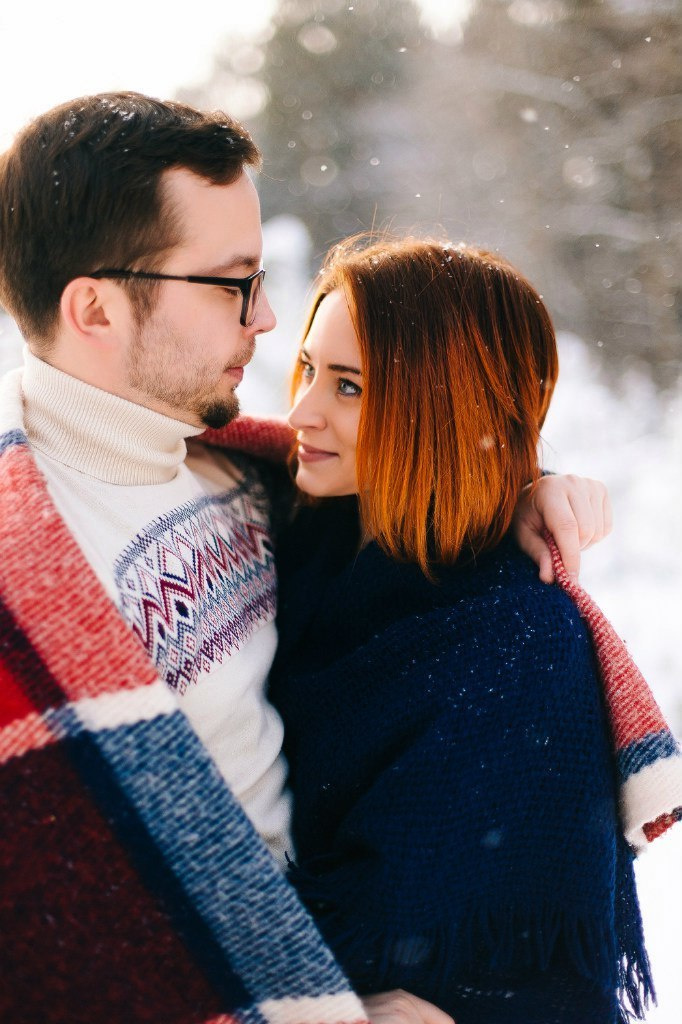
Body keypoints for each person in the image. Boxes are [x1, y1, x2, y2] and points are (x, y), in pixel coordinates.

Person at [0, 91, 613, 1023]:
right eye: (233, 281)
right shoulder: (27, 573)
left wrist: (510, 492)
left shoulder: (240, 474)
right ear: (95, 308)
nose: (267, 318)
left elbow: (412, 464)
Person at [268, 236, 682, 1023]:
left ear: (443, 407)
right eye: (310, 368)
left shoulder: (516, 641)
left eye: (349, 386)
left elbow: (523, 968)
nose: (300, 410)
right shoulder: (291, 538)